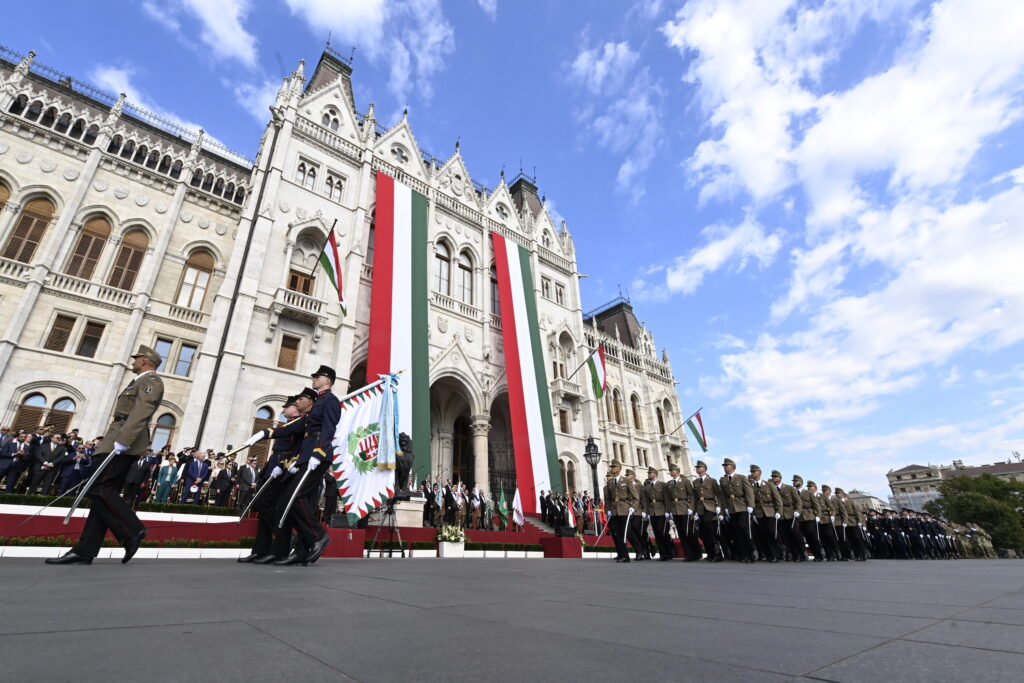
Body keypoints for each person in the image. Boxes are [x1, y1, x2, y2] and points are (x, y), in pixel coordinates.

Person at [46, 345, 165, 565]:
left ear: (145, 362)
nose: (133, 361)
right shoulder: (138, 381)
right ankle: (85, 550)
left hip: (123, 439)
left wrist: (124, 439)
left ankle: (132, 531)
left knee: (99, 487)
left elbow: (143, 410)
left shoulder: (151, 381)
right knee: (101, 492)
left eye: (136, 359)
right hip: (117, 435)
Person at [274, 366, 338, 566]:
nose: (313, 379)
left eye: (316, 376)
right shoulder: (319, 400)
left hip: (318, 455)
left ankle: (318, 536)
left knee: (297, 496)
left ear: (326, 379)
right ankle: (303, 548)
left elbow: (329, 428)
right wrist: (269, 433)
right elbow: (303, 427)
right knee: (295, 499)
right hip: (308, 455)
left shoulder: (331, 401)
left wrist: (319, 453)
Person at [241, 389, 314, 564]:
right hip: (274, 465)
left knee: (267, 504)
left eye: (288, 406)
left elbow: (294, 446)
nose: (286, 408)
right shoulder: (290, 422)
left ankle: (285, 539)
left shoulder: (300, 422)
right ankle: (262, 549)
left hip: (284, 468)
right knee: (264, 506)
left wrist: (284, 464)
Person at [719, 457, 755, 563]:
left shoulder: (741, 478)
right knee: (736, 532)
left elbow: (749, 492)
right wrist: (724, 508)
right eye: (724, 466)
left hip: (742, 507)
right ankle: (742, 554)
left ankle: (750, 554)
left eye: (726, 465)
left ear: (732, 467)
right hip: (731, 508)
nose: (725, 467)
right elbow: (723, 496)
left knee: (744, 529)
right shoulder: (723, 480)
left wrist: (750, 505)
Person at [603, 459, 639, 562]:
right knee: (617, 533)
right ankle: (624, 556)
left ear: (619, 468)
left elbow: (635, 496)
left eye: (614, 467)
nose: (612, 469)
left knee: (626, 533)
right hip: (614, 510)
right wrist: (608, 510)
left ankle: (639, 550)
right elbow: (608, 499)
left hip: (625, 509)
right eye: (611, 467)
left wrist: (633, 507)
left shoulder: (626, 480)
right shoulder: (610, 483)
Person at [748, 464, 783, 562]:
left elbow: (777, 499)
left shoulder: (769, 484)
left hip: (770, 511)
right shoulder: (750, 485)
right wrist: (753, 514)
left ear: (759, 472)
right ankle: (769, 555)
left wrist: (778, 511)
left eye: (754, 471)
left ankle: (776, 555)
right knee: (762, 534)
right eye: (751, 472)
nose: (752, 473)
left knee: (771, 533)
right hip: (758, 513)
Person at [663, 463, 697, 561]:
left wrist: (691, 507)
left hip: (685, 508)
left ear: (678, 471)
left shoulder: (685, 481)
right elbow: (668, 499)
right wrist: (668, 511)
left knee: (688, 532)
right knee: (681, 533)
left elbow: (692, 495)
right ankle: (688, 555)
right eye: (670, 470)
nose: (671, 472)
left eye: (673, 470)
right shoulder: (669, 483)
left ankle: (696, 552)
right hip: (675, 510)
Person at [642, 466, 671, 561]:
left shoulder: (662, 485)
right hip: (652, 512)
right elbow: (646, 501)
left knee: (662, 532)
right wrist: (646, 512)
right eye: (648, 473)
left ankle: (668, 552)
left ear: (655, 474)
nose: (649, 474)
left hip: (661, 510)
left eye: (650, 473)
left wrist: (668, 511)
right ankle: (663, 554)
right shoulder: (647, 487)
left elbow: (667, 499)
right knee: (657, 533)